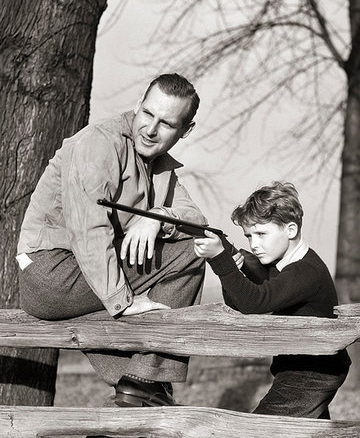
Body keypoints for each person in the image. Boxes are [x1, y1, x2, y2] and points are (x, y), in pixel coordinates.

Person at [17, 73, 207, 407]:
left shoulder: (160, 168)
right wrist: (123, 301)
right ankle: (147, 379)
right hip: (51, 272)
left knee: (193, 241)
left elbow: (196, 222)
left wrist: (156, 217)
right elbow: (88, 230)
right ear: (137, 105)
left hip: (81, 278)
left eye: (166, 123)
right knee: (189, 253)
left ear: (185, 131)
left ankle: (137, 386)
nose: (150, 129)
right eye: (147, 114)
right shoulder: (99, 143)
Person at [193, 181, 351, 418]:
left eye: (261, 234)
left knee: (259, 429)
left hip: (314, 372)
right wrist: (235, 269)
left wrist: (220, 260)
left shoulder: (306, 271)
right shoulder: (282, 266)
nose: (254, 245)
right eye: (248, 236)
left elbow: (254, 302)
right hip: (298, 369)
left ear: (291, 230)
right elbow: (239, 305)